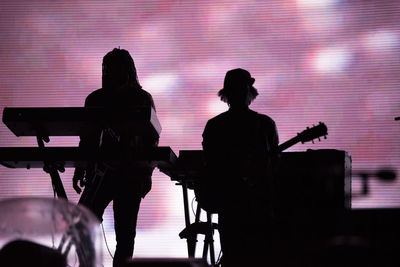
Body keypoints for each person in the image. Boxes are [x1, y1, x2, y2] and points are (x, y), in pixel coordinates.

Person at [72, 48, 158, 267]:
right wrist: (81, 167)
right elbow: (87, 137)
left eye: (111, 67)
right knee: (106, 231)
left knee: (123, 234)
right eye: (106, 67)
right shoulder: (137, 98)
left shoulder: (104, 98)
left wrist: (146, 173)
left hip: (128, 174)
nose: (108, 72)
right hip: (119, 174)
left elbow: (150, 140)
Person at [201, 68, 279, 267]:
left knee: (233, 255)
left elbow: (211, 164)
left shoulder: (215, 126)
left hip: (231, 205)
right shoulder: (265, 124)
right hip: (258, 204)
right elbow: (275, 166)